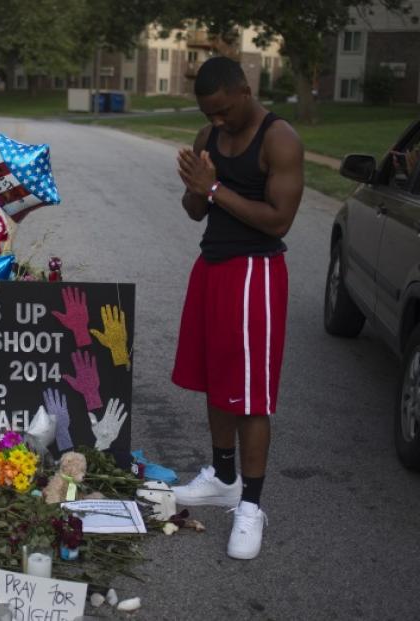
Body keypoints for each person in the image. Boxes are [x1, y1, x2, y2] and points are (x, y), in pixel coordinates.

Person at [170, 56, 304, 560]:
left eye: (224, 111)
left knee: (252, 396)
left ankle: (250, 504)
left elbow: (279, 221)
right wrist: (194, 186)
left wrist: (215, 188)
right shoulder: (209, 137)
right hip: (212, 267)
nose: (218, 122)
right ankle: (223, 475)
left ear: (245, 91)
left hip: (257, 274)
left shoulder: (280, 139)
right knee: (216, 379)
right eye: (210, 114)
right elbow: (195, 211)